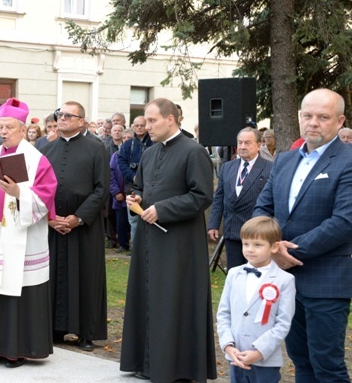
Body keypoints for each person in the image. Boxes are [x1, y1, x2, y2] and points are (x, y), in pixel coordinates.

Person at [253, 88, 352, 381]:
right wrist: (270, 246)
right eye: (307, 116)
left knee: (327, 365)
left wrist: (288, 252)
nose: (313, 122)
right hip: (285, 281)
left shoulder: (348, 161)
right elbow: (263, 207)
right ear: (299, 118)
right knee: (300, 360)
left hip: (327, 280)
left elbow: (344, 221)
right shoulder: (284, 160)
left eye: (323, 117)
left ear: (339, 121)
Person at [121, 97, 216, 381]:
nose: (146, 127)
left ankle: (177, 367)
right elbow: (139, 185)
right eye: (145, 121)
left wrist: (162, 209)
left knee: (173, 300)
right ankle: (147, 363)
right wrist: (135, 197)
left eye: (152, 121)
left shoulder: (193, 151)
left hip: (180, 242)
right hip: (149, 240)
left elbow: (201, 196)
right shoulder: (149, 153)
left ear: (170, 119)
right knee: (148, 297)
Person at [0, 98, 57, 367]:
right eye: (0, 126)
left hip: (20, 237)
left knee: (16, 289)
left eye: (9, 127)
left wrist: (18, 193)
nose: (3, 132)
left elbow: (46, 198)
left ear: (23, 129)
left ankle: (15, 350)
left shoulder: (37, 160)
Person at [40, 101, 109, 352]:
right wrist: (51, 217)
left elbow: (102, 189)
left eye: (69, 115)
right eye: (60, 114)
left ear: (81, 121)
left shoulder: (96, 148)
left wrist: (78, 217)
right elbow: (39, 188)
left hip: (84, 227)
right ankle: (55, 328)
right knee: (54, 276)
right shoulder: (46, 150)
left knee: (86, 277)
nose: (63, 118)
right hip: (54, 224)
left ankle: (86, 333)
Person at [217, 216, 296, 382]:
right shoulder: (233, 274)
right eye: (246, 244)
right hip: (236, 357)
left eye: (257, 245)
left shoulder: (284, 280)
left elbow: (283, 323)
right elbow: (224, 313)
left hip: (265, 360)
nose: (250, 249)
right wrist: (228, 346)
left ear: (274, 247)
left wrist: (259, 351)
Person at [208, 128, 273, 269]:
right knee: (236, 274)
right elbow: (219, 197)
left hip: (257, 234)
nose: (242, 147)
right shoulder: (227, 167)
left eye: (247, 143)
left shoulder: (270, 168)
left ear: (258, 145)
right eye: (240, 143)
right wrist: (214, 223)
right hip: (232, 232)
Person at [118, 115, 153, 243]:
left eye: (142, 125)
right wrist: (133, 176)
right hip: (131, 186)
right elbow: (121, 162)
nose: (139, 128)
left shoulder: (153, 142)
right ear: (132, 126)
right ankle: (136, 248)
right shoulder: (128, 144)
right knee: (133, 220)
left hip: (150, 186)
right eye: (136, 125)